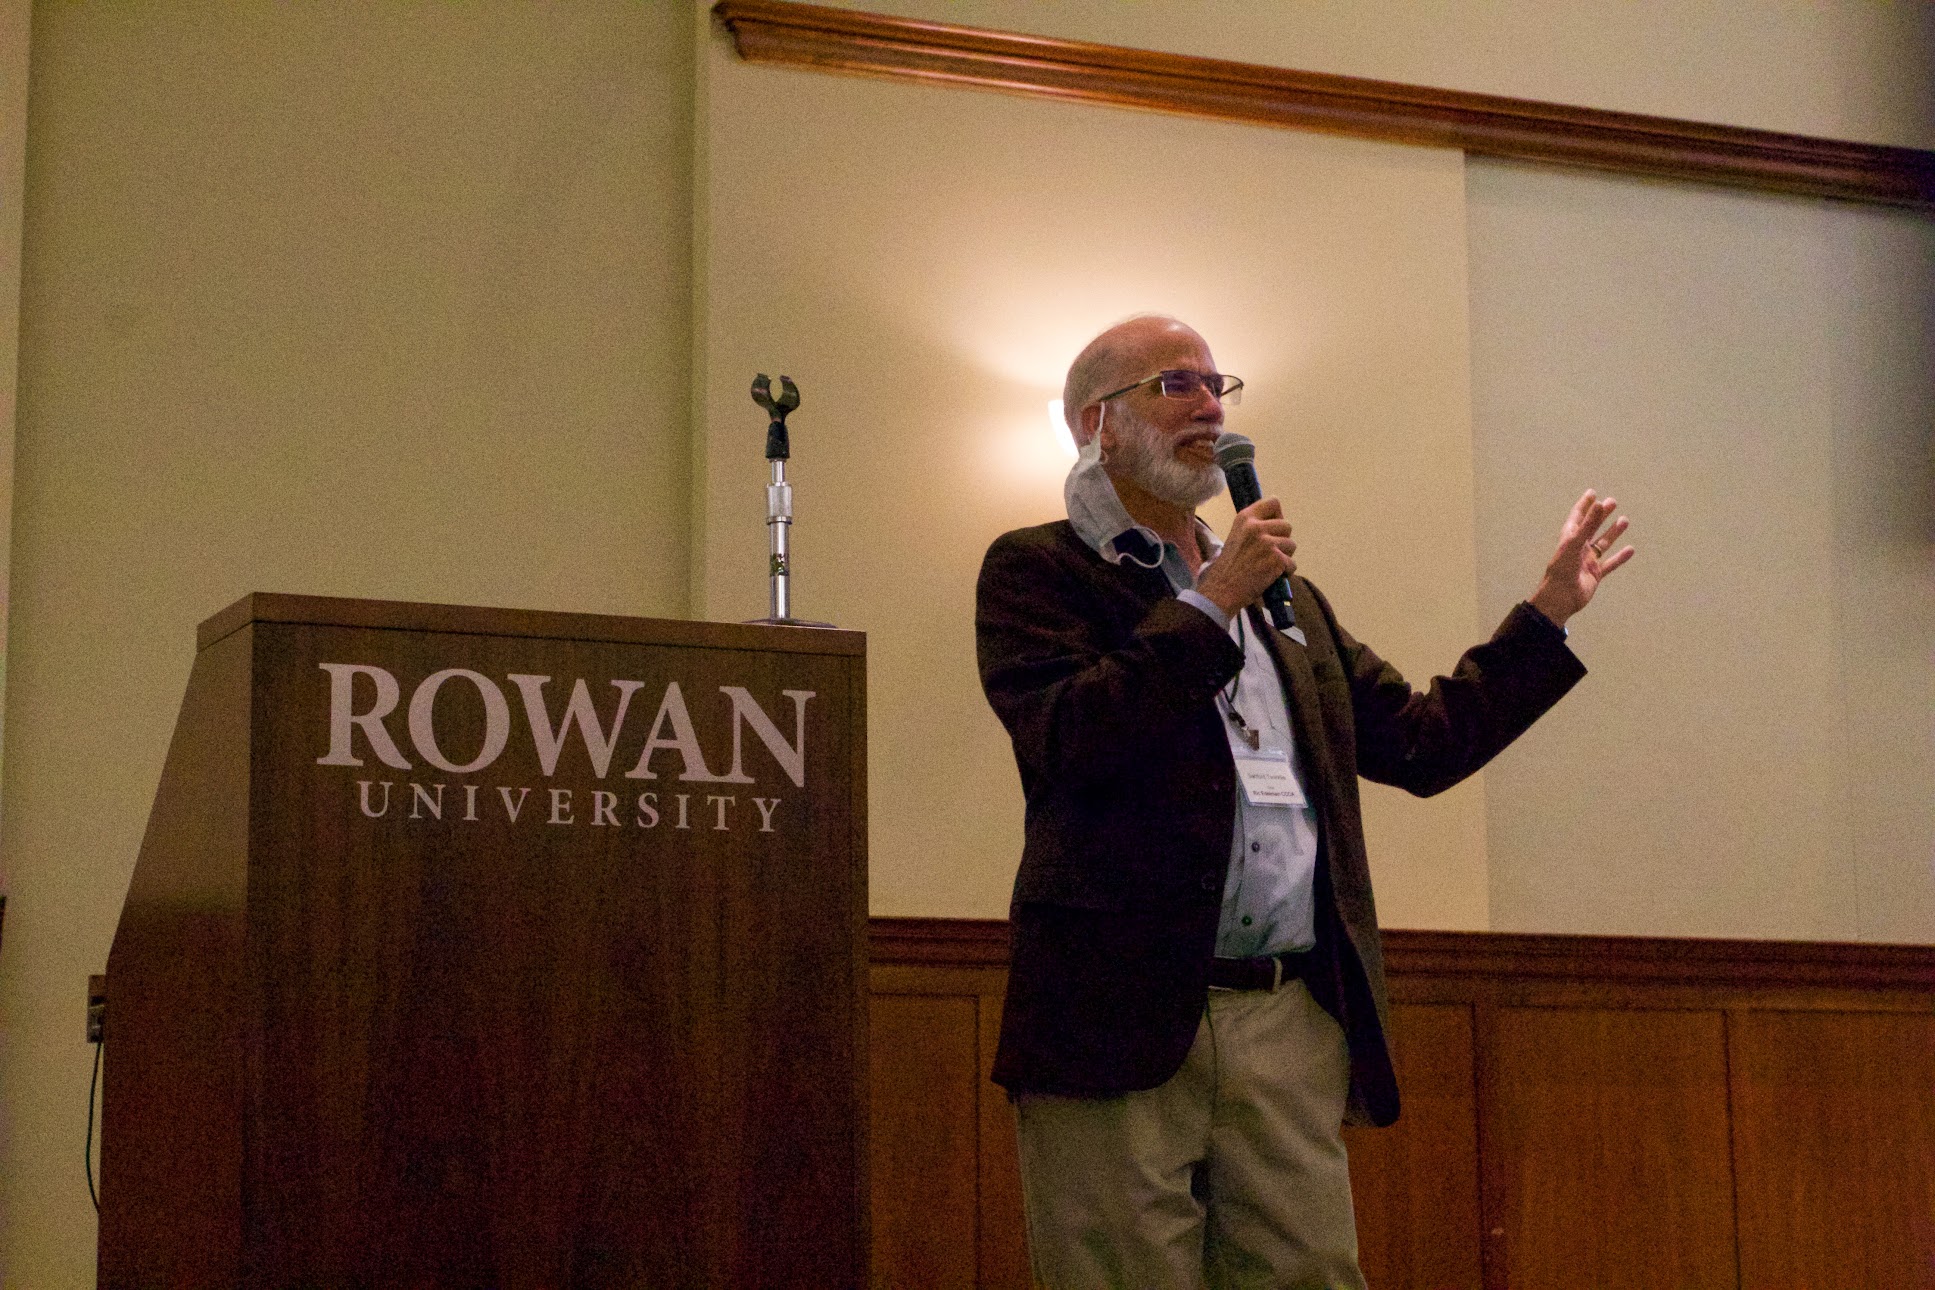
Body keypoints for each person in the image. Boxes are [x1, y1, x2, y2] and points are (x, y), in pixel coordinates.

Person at [974, 315, 1633, 1289]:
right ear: (1095, 424)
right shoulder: (1040, 569)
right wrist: (1210, 605)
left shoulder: (1292, 603)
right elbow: (1073, 737)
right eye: (1176, 384)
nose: (1209, 402)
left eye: (1217, 383)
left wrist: (1545, 615)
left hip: (1287, 1011)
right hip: (1117, 1009)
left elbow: (1419, 742)